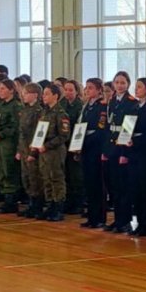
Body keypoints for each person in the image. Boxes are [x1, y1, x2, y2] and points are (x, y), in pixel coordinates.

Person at [104, 72, 139, 234]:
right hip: (112, 148)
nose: (119, 85)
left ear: (128, 84)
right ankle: (117, 220)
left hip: (122, 149)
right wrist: (105, 150)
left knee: (124, 187)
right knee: (114, 187)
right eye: (117, 82)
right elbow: (108, 127)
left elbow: (128, 129)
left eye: (123, 83)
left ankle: (125, 220)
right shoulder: (111, 101)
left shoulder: (131, 103)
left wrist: (124, 152)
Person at [36, 84, 70, 222]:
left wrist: (48, 145)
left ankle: (58, 206)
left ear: (55, 96)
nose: (44, 96)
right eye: (43, 94)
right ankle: (50, 204)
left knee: (56, 178)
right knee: (46, 177)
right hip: (43, 149)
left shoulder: (61, 114)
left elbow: (64, 135)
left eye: (47, 94)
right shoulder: (44, 112)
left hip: (54, 150)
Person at [78, 78, 109, 229]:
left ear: (98, 90)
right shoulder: (86, 107)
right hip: (85, 145)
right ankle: (91, 216)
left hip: (95, 146)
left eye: (91, 88)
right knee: (88, 183)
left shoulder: (102, 106)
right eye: (86, 87)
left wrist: (89, 140)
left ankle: (99, 217)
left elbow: (101, 128)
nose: (87, 90)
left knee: (97, 183)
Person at [128, 77, 146, 236]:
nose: (136, 89)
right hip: (132, 151)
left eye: (139, 87)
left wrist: (135, 140)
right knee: (136, 189)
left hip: (145, 152)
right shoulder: (134, 107)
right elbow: (127, 127)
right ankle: (139, 222)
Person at [0, 79, 22, 214]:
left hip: (8, 142)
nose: (0, 91)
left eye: (3, 88)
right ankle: (5, 197)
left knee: (8, 169)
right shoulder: (0, 106)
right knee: (0, 169)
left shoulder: (16, 106)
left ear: (11, 90)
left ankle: (11, 200)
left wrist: (1, 134)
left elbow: (15, 127)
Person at [16, 83, 43, 218]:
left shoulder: (39, 112)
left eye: (26, 93)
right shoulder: (25, 110)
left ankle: (37, 205)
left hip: (33, 149)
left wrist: (33, 152)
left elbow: (37, 133)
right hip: (24, 147)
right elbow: (21, 133)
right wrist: (19, 150)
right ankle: (31, 203)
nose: (23, 95)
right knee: (25, 177)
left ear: (35, 95)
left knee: (34, 178)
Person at [61, 80, 85, 215]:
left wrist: (77, 146)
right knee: (67, 175)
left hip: (74, 143)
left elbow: (80, 126)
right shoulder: (62, 104)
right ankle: (68, 201)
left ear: (76, 91)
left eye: (71, 90)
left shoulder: (80, 106)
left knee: (76, 176)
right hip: (64, 144)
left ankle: (79, 203)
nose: (68, 93)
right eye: (66, 90)